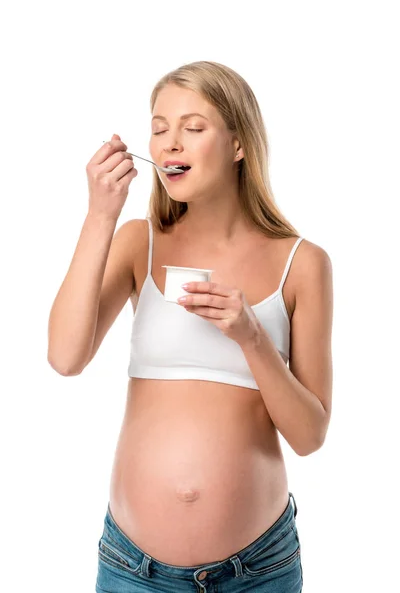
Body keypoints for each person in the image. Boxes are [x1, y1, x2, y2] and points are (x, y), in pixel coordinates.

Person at [48, 60, 333, 592]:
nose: (169, 143)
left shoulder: (304, 263)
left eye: (193, 128)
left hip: (259, 571)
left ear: (238, 144)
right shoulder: (139, 241)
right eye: (158, 129)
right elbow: (65, 357)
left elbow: (310, 435)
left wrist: (252, 338)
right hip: (135, 571)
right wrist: (99, 216)